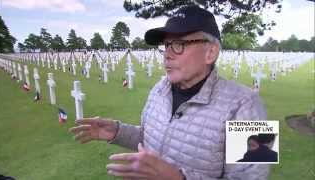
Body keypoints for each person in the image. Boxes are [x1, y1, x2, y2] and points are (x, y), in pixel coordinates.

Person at [69, 5, 269, 180]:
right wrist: (117, 132)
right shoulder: (159, 89)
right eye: (166, 45)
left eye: (179, 44)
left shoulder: (247, 104)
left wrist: (178, 178)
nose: (167, 54)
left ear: (211, 52)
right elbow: (152, 138)